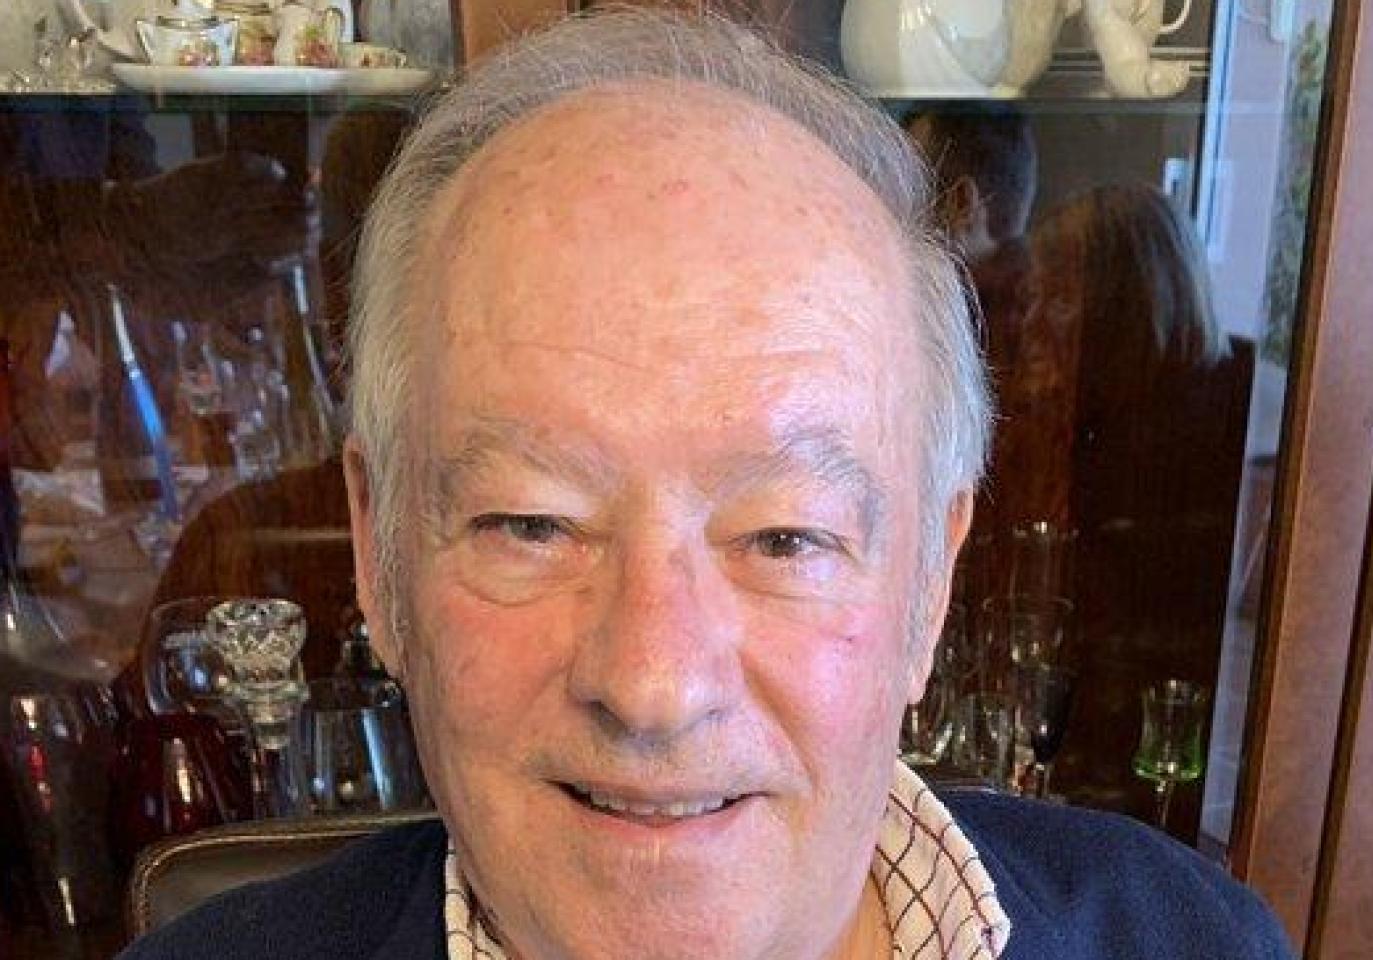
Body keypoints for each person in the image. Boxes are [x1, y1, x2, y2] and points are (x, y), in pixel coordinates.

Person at [119, 9, 1294, 960]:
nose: (653, 685)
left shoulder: (1190, 941)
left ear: (928, 584)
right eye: (532, 524)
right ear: (380, 557)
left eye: (783, 538)